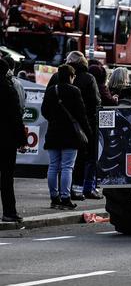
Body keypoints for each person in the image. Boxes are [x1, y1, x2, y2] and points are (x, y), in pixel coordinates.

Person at [47, 52, 101, 200]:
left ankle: (55, 194)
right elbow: (94, 104)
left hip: (55, 127)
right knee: (71, 164)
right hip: (78, 128)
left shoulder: (55, 78)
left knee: (54, 165)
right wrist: (88, 129)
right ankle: (71, 192)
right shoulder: (88, 79)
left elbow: (45, 107)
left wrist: (54, 118)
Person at [41, 64, 91, 210]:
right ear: (71, 76)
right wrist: (88, 132)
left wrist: (54, 119)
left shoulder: (51, 90)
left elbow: (44, 111)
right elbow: (82, 115)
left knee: (53, 166)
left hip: (53, 133)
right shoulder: (75, 91)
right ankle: (65, 198)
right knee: (67, 167)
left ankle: (54, 198)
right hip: (70, 134)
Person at [0, 58, 27, 222]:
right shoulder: (8, 89)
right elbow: (15, 118)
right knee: (6, 178)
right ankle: (9, 212)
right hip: (6, 140)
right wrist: (22, 140)